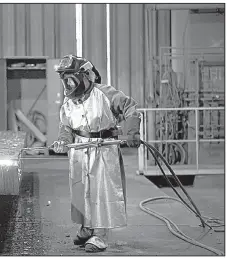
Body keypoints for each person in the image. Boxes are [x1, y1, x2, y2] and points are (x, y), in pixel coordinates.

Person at [52, 54, 141, 253]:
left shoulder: (104, 93)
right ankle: (87, 227)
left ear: (85, 76)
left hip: (104, 149)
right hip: (80, 149)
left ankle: (100, 234)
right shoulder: (68, 102)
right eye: (65, 79)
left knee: (102, 191)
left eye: (71, 78)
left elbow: (130, 106)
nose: (68, 83)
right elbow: (65, 126)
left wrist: (133, 131)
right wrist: (62, 141)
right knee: (81, 190)